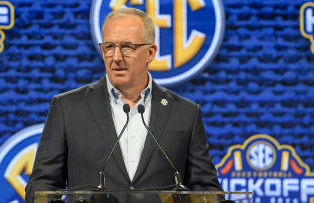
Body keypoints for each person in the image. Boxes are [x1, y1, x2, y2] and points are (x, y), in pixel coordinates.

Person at [25, 7, 222, 203]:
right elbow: (42, 185)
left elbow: (206, 188)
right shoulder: (68, 108)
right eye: (109, 47)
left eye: (127, 47)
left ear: (151, 52)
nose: (116, 58)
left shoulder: (184, 113)